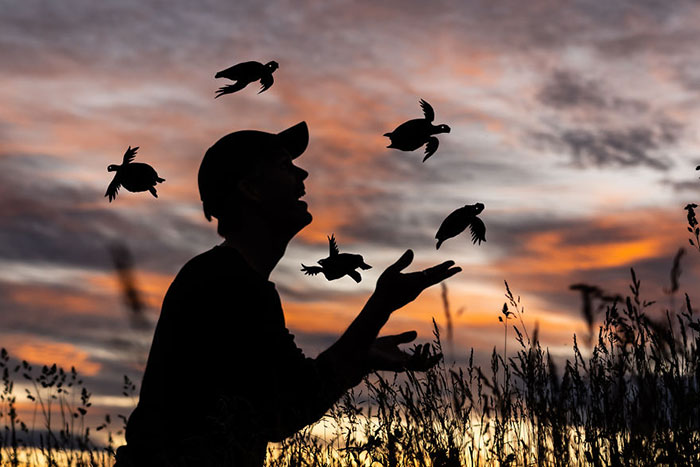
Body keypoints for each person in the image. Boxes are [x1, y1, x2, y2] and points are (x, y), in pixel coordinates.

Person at [114, 121, 461, 466]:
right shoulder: (225, 285)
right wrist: (380, 307)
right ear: (251, 188)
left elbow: (287, 391)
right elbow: (289, 404)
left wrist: (363, 356)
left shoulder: (229, 279)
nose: (303, 174)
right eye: (285, 166)